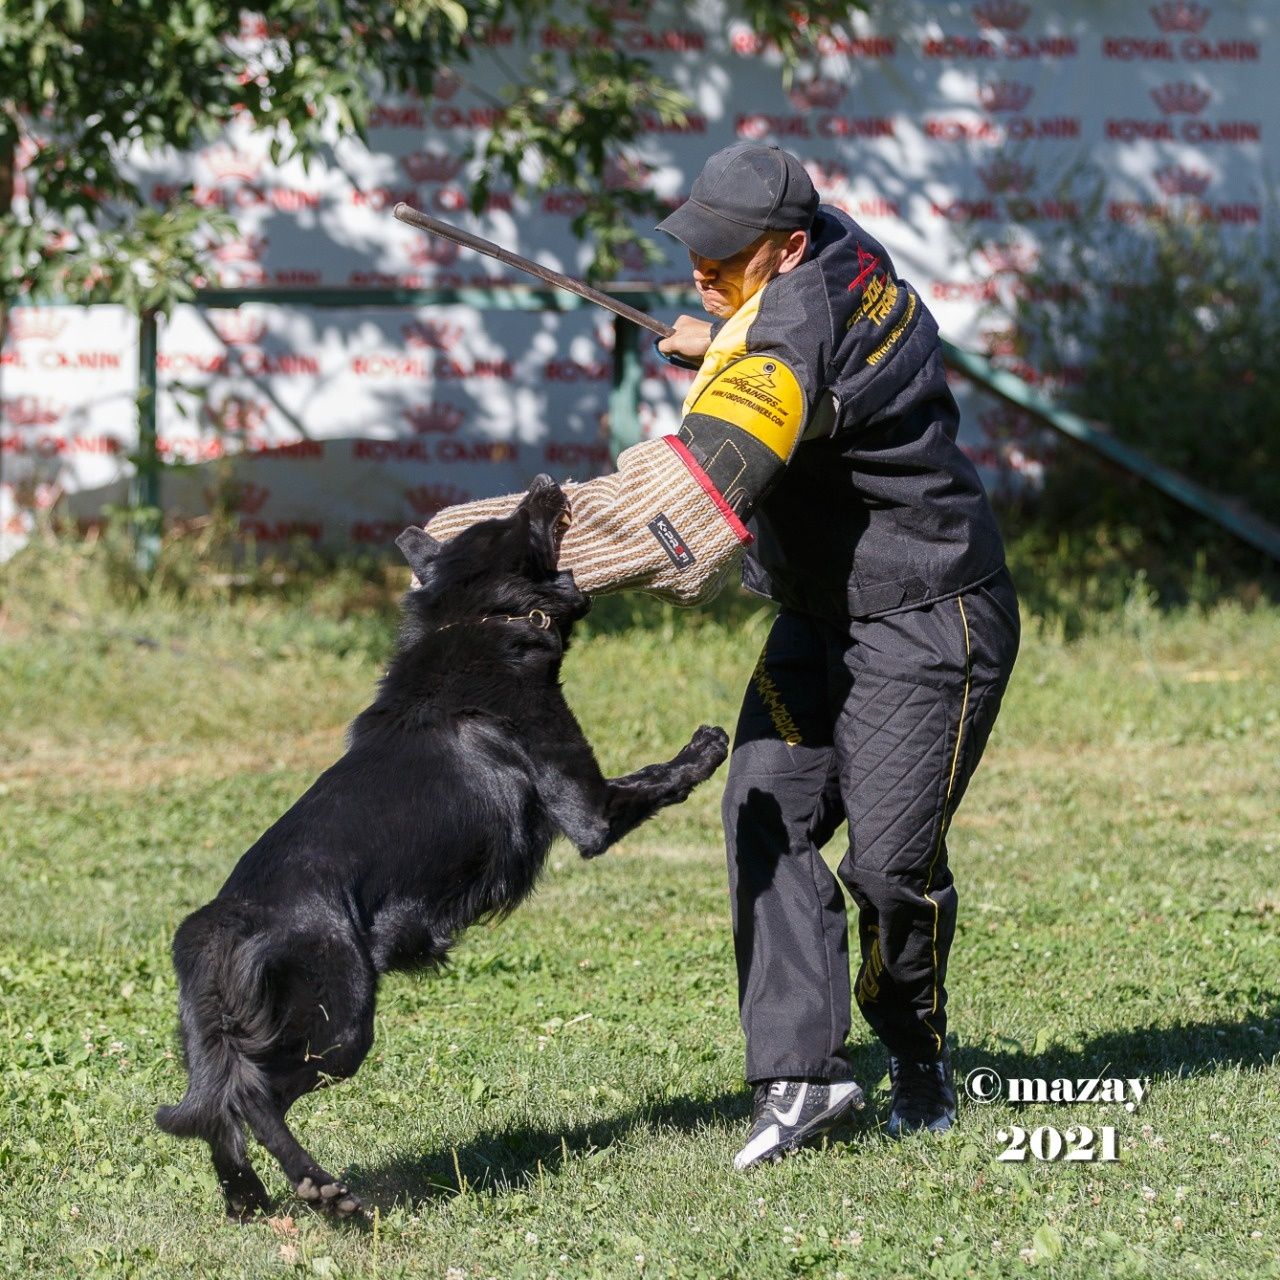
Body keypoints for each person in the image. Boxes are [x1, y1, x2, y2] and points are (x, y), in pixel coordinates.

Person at [422, 142, 1020, 1170]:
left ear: (785, 246)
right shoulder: (829, 256)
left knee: (887, 870)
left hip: (930, 620)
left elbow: (693, 500)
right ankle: (802, 1080)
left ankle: (915, 1053)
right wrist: (725, 336)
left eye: (722, 264)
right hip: (819, 615)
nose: (697, 277)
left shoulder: (793, 325)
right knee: (763, 811)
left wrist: (500, 554)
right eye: (694, 256)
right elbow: (797, 353)